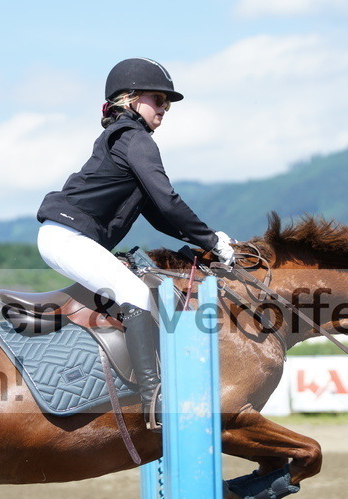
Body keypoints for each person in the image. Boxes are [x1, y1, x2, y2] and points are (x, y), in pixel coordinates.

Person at [36, 57, 235, 431]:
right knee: (135, 293)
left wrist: (202, 244)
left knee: (139, 288)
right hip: (66, 237)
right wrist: (214, 241)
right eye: (158, 99)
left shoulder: (128, 139)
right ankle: (153, 400)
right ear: (128, 98)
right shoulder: (134, 138)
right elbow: (168, 201)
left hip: (67, 236)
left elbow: (159, 214)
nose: (164, 109)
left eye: (168, 104)